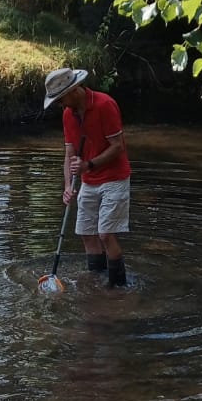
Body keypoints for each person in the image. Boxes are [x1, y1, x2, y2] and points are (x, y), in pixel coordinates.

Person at [44, 66, 132, 287]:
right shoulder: (68, 115)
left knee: (105, 234)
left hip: (114, 177)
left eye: (61, 99)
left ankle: (117, 287)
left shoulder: (104, 105)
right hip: (88, 180)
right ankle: (97, 281)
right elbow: (70, 153)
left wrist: (88, 165)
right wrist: (67, 186)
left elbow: (118, 147)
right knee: (86, 233)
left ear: (74, 91)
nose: (61, 105)